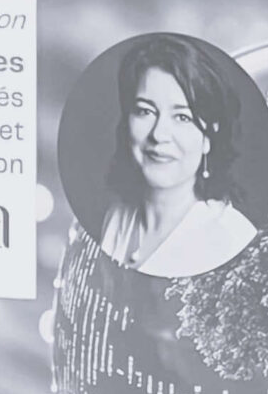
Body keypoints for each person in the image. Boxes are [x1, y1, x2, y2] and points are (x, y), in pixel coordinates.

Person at [99, 35, 259, 279]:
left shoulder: (230, 237)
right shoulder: (118, 217)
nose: (159, 134)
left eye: (182, 117)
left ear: (209, 136)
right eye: (145, 111)